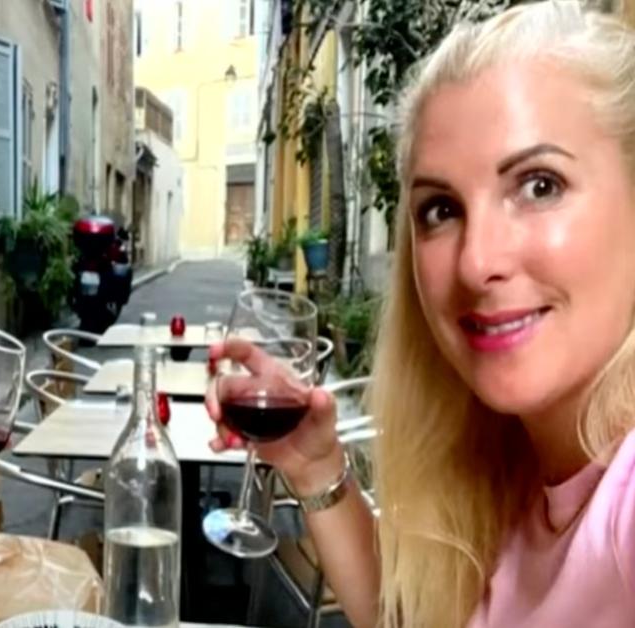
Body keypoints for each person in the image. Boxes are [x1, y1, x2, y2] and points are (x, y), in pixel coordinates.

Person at [207, 2, 635, 626]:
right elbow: (408, 616)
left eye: (539, 185)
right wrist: (317, 464)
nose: (475, 261)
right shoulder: (510, 469)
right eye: (441, 210)